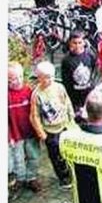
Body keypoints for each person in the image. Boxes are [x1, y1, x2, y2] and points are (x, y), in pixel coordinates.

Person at [29, 61, 76, 189]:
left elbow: (67, 102)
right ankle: (63, 178)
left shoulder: (59, 87)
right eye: (46, 77)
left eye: (51, 76)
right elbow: (35, 116)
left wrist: (71, 118)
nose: (50, 80)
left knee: (68, 152)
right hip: (50, 130)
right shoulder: (36, 94)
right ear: (39, 77)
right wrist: (42, 134)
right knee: (56, 156)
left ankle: (72, 172)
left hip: (64, 125)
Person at [8, 62, 42, 195]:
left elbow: (37, 113)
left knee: (34, 156)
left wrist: (39, 130)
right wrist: (9, 136)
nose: (17, 81)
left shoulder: (29, 91)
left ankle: (31, 178)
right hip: (16, 135)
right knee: (18, 158)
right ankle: (20, 179)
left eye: (20, 77)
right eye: (12, 79)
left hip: (31, 133)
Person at [60, 31, 97, 121]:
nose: (77, 46)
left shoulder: (90, 55)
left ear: (84, 42)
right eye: (75, 43)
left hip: (87, 92)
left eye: (80, 42)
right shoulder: (66, 60)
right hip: (74, 95)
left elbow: (93, 70)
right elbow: (65, 80)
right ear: (70, 43)